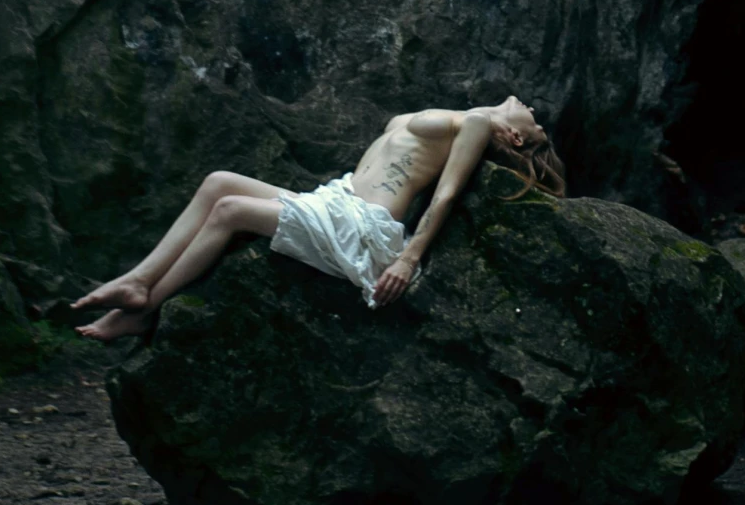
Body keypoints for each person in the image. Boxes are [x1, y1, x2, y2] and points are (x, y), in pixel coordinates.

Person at [72, 96, 564, 339]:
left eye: (536, 123)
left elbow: (448, 194)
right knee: (219, 181)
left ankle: (144, 307)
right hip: (335, 200)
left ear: (516, 138)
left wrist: (408, 260)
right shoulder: (461, 114)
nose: (531, 108)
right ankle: (138, 278)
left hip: (360, 225)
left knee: (230, 210)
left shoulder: (477, 123)